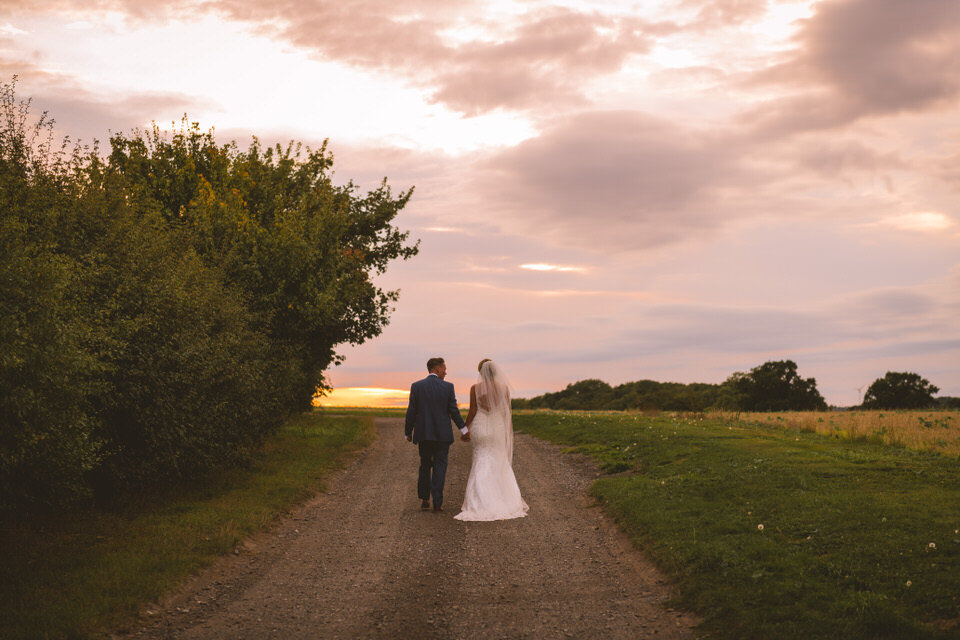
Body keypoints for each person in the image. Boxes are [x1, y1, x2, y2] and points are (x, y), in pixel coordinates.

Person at [455, 359, 529, 521]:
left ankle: (480, 501)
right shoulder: (503, 388)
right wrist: (507, 430)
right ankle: (504, 500)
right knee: (498, 460)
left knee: (481, 459)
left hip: (481, 425)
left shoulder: (475, 388)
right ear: (496, 372)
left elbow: (473, 411)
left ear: (481, 373)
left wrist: (465, 429)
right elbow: (505, 413)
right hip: (496, 426)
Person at [405, 357, 469, 512]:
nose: (446, 372)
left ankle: (425, 499)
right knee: (440, 466)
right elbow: (453, 411)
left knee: (425, 465)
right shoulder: (448, 387)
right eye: (444, 369)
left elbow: (411, 411)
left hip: (424, 434)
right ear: (437, 368)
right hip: (442, 435)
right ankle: (438, 503)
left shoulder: (417, 386)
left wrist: (408, 432)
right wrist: (464, 429)